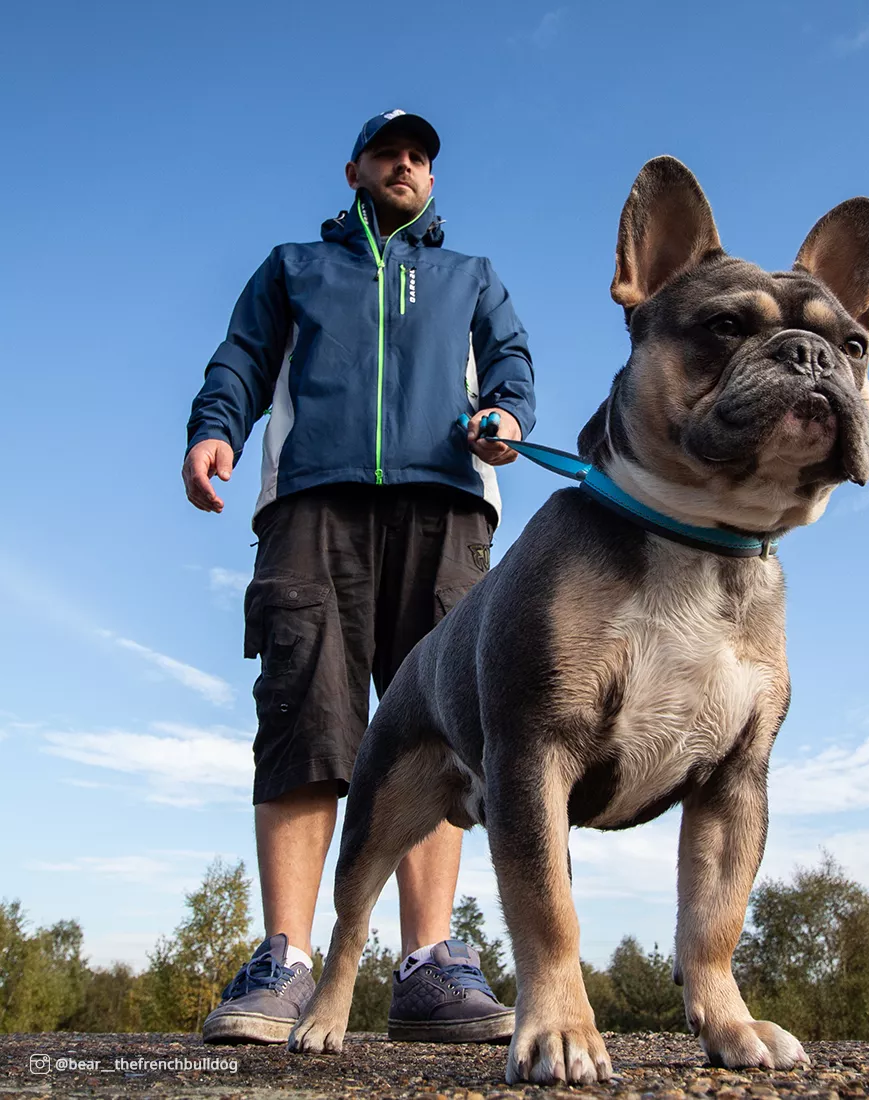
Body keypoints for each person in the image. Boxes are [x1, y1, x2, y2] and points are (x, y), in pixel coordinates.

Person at [183, 109, 534, 1045]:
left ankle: (428, 966)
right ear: (355, 170)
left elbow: (511, 363)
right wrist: (216, 427)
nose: (407, 165)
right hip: (313, 503)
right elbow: (245, 360)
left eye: (420, 156)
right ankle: (287, 960)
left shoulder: (469, 276)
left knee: (444, 728)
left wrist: (504, 412)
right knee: (306, 714)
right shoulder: (296, 266)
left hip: (447, 503)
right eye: (390, 153)